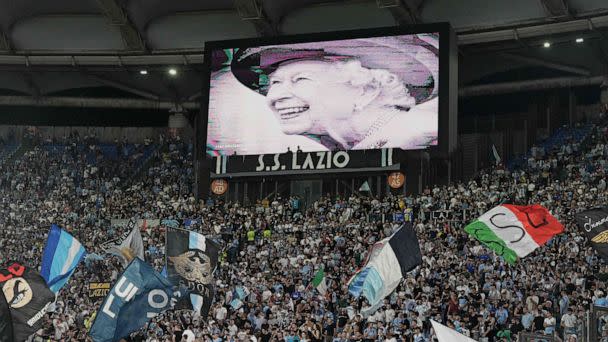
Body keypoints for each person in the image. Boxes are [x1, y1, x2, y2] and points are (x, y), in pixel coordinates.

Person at [229, 35, 439, 153]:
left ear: (366, 91)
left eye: (300, 79)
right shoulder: (358, 145)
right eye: (275, 83)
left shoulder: (421, 134)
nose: (273, 97)